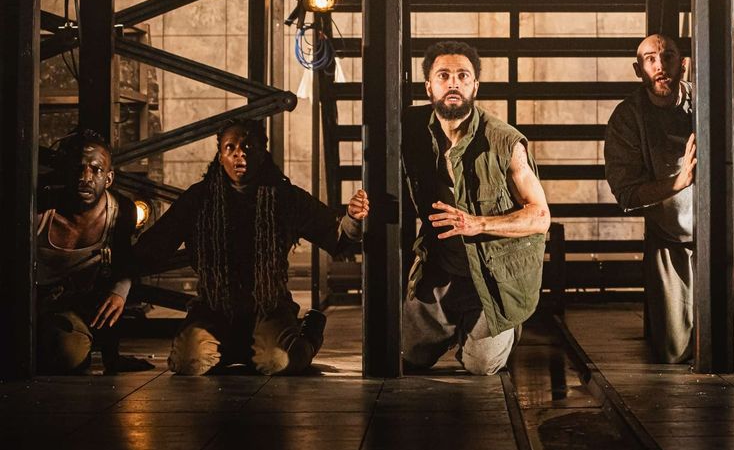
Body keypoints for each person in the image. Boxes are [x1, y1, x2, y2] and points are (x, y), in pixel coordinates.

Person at [604, 34, 734, 365]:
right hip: (671, 243)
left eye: (668, 56)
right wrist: (677, 183)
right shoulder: (628, 118)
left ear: (684, 63)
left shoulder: (713, 103)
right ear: (638, 69)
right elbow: (626, 193)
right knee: (674, 351)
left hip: (725, 239)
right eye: (650, 59)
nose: (660, 66)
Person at [132, 119, 368, 375]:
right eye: (230, 147)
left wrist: (352, 219)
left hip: (268, 306)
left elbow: (333, 234)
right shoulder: (198, 199)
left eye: (247, 147)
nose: (239, 154)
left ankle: (307, 331)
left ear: (262, 152)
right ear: (220, 156)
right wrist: (120, 270)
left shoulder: (284, 197)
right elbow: (157, 243)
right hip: (214, 308)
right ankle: (243, 350)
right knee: (188, 362)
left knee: (281, 362)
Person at [400, 41, 551, 376]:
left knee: (481, 366)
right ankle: (452, 326)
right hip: (442, 273)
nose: (453, 83)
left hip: (491, 281)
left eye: (462, 76)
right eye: (443, 75)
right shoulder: (412, 129)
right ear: (429, 86)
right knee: (404, 356)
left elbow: (541, 216)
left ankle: (501, 328)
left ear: (474, 86)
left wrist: (478, 224)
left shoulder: (503, 142)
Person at [35, 130, 135, 374]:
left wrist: (120, 290)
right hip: (27, 304)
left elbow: (127, 263)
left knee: (68, 353)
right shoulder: (40, 208)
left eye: (96, 169)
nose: (85, 177)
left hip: (73, 311)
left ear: (109, 178)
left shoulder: (120, 211)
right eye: (77, 168)